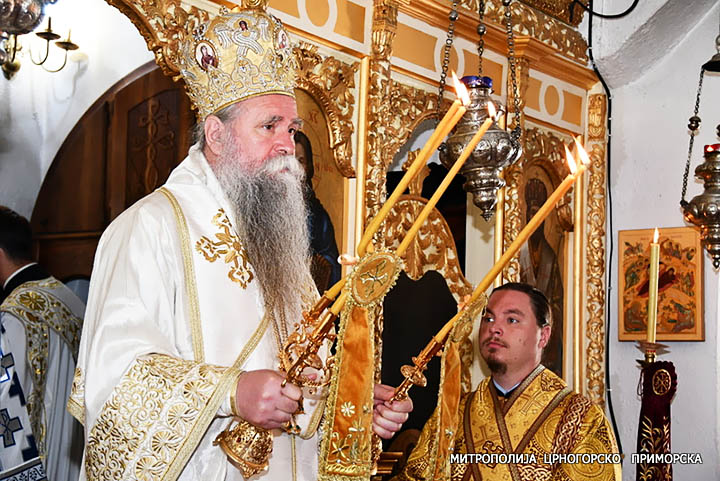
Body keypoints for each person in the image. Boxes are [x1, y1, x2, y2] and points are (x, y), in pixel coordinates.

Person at [68, 7, 411, 481]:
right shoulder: (149, 228)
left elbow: (304, 378)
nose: (287, 145)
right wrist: (231, 393)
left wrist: (352, 406)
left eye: (291, 130)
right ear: (216, 134)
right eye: (269, 126)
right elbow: (115, 382)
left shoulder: (278, 242)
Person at [395, 282, 621, 481]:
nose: (494, 328)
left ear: (543, 336)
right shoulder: (454, 413)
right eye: (488, 318)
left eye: (512, 320)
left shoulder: (581, 419)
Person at [0, 206, 85, 481]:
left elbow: (7, 404)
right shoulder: (68, 297)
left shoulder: (13, 314)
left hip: (34, 463)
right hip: (73, 458)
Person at [518, 178, 564, 376]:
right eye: (531, 212)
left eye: (538, 213)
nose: (534, 217)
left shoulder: (550, 256)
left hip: (543, 337)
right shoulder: (518, 253)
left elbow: (558, 301)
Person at [294, 130, 341, 291]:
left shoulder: (318, 216)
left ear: (308, 167)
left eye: (300, 160)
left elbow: (332, 261)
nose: (295, 167)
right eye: (289, 160)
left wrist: (318, 265)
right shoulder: (264, 209)